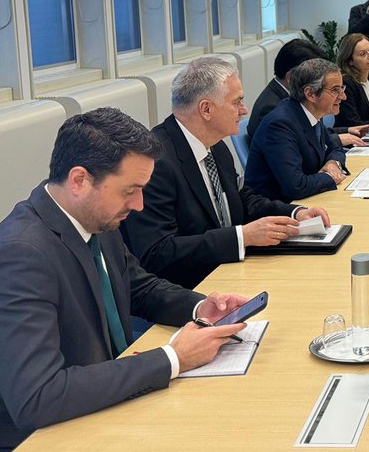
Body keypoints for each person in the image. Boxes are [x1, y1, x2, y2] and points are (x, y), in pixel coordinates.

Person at [0, 108, 251, 452]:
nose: (139, 205)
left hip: (93, 407)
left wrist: (200, 307)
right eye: (130, 191)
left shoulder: (95, 218)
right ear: (79, 180)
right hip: (24, 448)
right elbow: (39, 397)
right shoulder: (18, 257)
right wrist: (173, 357)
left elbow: (136, 286)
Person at [122, 57, 331, 289]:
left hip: (232, 272)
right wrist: (241, 237)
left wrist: (295, 213)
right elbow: (157, 253)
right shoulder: (156, 163)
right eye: (237, 102)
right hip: (192, 289)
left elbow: (243, 200)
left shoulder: (217, 147)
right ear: (206, 109)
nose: (244, 110)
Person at [244, 58, 351, 201]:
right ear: (310, 94)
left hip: (310, 200)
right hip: (279, 208)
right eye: (335, 90)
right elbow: (296, 186)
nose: (343, 96)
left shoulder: (311, 113)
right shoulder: (280, 125)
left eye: (342, 89)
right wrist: (329, 177)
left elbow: (335, 147)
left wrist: (333, 163)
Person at [248, 38, 369, 147]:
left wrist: (347, 130)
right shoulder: (271, 109)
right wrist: (337, 140)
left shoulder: (297, 96)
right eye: (317, 75)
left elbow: (314, 131)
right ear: (291, 77)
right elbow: (300, 146)